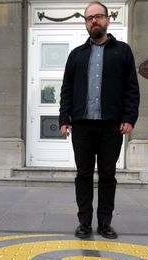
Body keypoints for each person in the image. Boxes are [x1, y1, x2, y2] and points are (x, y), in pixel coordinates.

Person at [59, 1, 140, 239]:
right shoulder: (77, 55)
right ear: (86, 23)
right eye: (88, 18)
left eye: (98, 16)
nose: (93, 21)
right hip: (82, 124)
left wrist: (129, 117)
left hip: (111, 125)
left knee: (107, 175)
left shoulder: (122, 51)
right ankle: (84, 222)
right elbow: (67, 89)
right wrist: (65, 118)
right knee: (83, 175)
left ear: (108, 19)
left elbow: (131, 89)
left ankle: (105, 223)